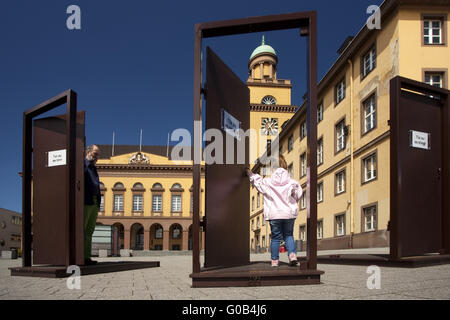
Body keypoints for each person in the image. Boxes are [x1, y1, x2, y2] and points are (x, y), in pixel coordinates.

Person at [246, 155, 302, 267]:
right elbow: (298, 195)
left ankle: (275, 261)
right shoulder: (292, 182)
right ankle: (292, 255)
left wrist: (249, 173)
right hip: (288, 214)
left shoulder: (268, 182)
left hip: (274, 215)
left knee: (275, 238)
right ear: (285, 166)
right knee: (288, 235)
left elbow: (258, 182)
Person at [84, 145, 101, 265]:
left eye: (98, 154)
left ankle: (86, 257)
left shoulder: (93, 168)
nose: (97, 157)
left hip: (94, 202)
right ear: (88, 152)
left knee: (90, 231)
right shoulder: (83, 165)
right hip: (86, 201)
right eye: (95, 153)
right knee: (83, 230)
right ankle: (80, 257)